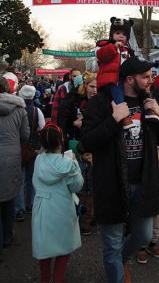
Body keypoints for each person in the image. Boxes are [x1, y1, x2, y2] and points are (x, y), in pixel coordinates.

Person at [80, 56, 159, 283]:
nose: (151, 81)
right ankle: (116, 272)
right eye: (145, 77)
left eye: (151, 76)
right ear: (129, 79)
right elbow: (87, 141)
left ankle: (118, 261)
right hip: (112, 183)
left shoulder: (148, 100)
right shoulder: (101, 102)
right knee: (111, 243)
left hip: (143, 182)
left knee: (143, 235)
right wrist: (113, 120)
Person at [32, 122, 83, 283]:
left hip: (42, 208)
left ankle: (45, 278)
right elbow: (77, 185)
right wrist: (74, 163)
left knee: (45, 247)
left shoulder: (38, 160)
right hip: (62, 209)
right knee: (63, 246)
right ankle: (58, 279)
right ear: (60, 141)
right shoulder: (67, 163)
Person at [0, 77, 30, 259]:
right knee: (9, 198)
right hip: (12, 157)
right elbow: (25, 135)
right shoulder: (20, 109)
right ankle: (8, 235)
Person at [96, 17, 135, 129]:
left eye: (124, 34)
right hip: (110, 79)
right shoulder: (105, 45)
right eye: (117, 33)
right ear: (112, 34)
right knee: (117, 90)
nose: (121, 36)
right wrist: (113, 47)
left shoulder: (127, 50)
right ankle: (124, 116)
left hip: (122, 79)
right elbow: (100, 56)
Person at [14, 85, 45, 221]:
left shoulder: (17, 110)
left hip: (18, 147)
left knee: (20, 179)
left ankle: (19, 208)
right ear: (33, 96)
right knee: (31, 178)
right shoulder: (37, 110)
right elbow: (42, 128)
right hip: (33, 148)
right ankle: (30, 204)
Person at [77, 152, 94, 236]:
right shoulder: (77, 162)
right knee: (81, 208)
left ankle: (86, 224)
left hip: (91, 190)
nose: (89, 157)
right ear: (81, 155)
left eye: (90, 154)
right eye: (87, 155)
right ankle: (83, 225)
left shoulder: (92, 162)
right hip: (81, 191)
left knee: (89, 207)